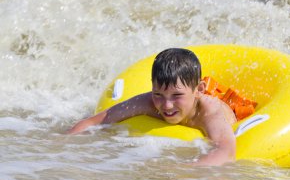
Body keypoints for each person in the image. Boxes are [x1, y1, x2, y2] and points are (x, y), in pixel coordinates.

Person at [67, 48, 237, 166]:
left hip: (232, 111)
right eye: (158, 94)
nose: (166, 105)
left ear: (199, 90)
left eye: (177, 96)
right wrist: (62, 143)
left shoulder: (209, 112)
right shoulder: (149, 102)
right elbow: (98, 120)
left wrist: (187, 170)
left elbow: (226, 151)